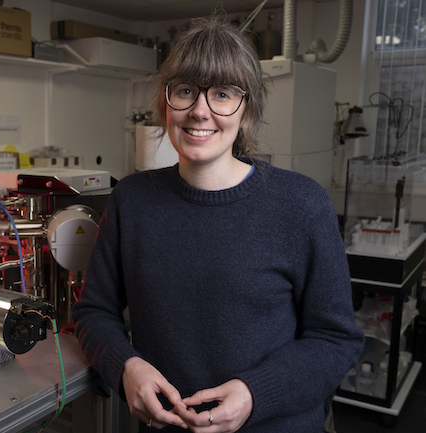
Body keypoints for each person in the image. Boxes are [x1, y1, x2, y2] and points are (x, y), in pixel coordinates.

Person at [71, 17, 364, 433]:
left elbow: (336, 341)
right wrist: (126, 366)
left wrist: (255, 393)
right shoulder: (131, 201)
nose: (200, 111)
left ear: (247, 111)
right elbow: (93, 312)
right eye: (186, 91)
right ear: (165, 102)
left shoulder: (301, 205)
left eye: (222, 94)